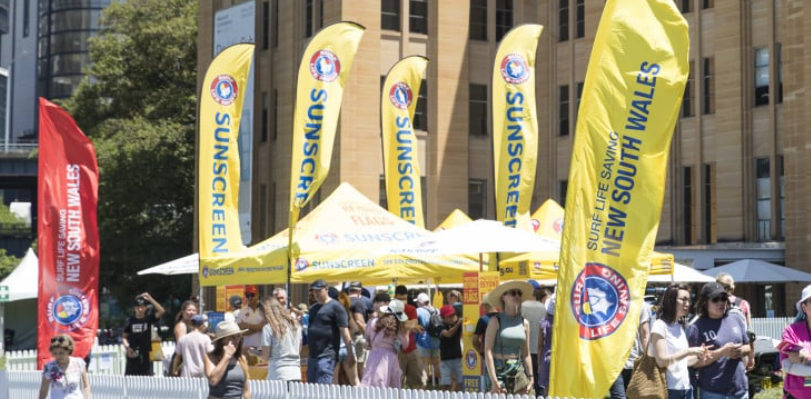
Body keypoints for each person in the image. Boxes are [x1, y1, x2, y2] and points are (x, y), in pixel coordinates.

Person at [688, 282, 750, 399]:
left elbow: (748, 347)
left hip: (740, 390)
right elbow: (692, 362)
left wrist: (741, 351)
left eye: (723, 298)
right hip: (714, 393)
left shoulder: (736, 318)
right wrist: (721, 352)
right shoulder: (696, 327)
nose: (721, 302)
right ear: (705, 303)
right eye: (715, 299)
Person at [650, 284, 707, 399]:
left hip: (685, 387)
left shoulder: (679, 326)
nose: (688, 304)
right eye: (683, 299)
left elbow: (682, 362)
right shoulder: (660, 326)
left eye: (689, 300)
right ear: (671, 301)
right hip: (668, 389)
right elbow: (661, 361)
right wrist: (688, 351)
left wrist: (699, 356)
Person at [484, 281, 534, 395]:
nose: (517, 296)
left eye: (519, 293)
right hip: (498, 369)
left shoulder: (524, 322)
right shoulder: (495, 321)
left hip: (518, 370)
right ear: (503, 297)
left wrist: (531, 376)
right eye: (512, 293)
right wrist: (493, 379)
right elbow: (488, 351)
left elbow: (526, 353)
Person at [307, 279, 356, 384]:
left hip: (327, 356)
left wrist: (350, 353)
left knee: (323, 390)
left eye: (319, 291)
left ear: (326, 289)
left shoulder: (336, 307)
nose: (316, 294)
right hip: (312, 356)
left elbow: (345, 332)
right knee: (311, 391)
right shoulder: (313, 308)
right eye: (314, 291)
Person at [361, 299, 409, 388]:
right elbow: (404, 344)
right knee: (390, 386)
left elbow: (367, 338)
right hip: (389, 358)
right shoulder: (398, 327)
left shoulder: (373, 322)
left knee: (371, 383)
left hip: (373, 356)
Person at [610, 299, 652, 399]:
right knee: (619, 397)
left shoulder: (640, 304)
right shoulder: (608, 301)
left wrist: (650, 359)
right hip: (612, 364)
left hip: (633, 362)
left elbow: (644, 334)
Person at [779, 284, 811, 399]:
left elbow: (798, 358)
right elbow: (786, 362)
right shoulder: (791, 331)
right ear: (804, 307)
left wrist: (805, 358)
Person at [205, 320, 251, 399]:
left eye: (238, 336)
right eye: (232, 337)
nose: (236, 340)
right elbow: (213, 380)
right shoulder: (211, 357)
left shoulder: (241, 359)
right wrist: (227, 357)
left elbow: (246, 390)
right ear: (222, 341)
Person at [123, 293, 165, 376]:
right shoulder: (130, 320)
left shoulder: (148, 319)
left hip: (145, 353)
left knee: (146, 378)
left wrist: (150, 299)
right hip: (133, 353)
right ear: (134, 308)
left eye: (142, 307)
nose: (140, 309)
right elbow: (124, 337)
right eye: (138, 307)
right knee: (130, 378)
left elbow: (161, 311)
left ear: (146, 308)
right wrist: (127, 347)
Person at [259, 297, 301, 382]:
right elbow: (299, 349)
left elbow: (265, 357)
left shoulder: (268, 328)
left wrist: (254, 352)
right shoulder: (295, 325)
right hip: (296, 372)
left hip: (278, 373)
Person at [39, 334, 90, 399]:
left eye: (61, 353)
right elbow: (43, 391)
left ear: (68, 350)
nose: (58, 356)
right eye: (55, 353)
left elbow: (86, 386)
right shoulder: (49, 367)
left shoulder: (79, 363)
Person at [395, 285, 426, 389]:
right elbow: (411, 325)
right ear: (395, 297)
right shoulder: (391, 309)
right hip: (396, 351)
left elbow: (412, 324)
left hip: (412, 349)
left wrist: (409, 325)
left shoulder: (411, 308)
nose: (402, 301)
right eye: (400, 299)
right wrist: (412, 326)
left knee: (417, 382)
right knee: (397, 383)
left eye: (404, 299)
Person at [522, 282, 547, 394]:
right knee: (540, 385)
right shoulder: (544, 308)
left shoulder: (521, 307)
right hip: (540, 350)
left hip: (524, 351)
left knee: (522, 385)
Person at [334, 291, 361, 385]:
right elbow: (355, 328)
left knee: (334, 383)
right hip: (348, 347)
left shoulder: (330, 311)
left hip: (335, 348)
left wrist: (340, 334)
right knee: (355, 381)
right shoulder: (346, 312)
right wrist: (346, 334)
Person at [415, 292, 441, 385]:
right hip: (436, 341)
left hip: (423, 340)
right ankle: (442, 384)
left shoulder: (418, 311)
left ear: (420, 302)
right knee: (437, 364)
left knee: (424, 364)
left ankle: (423, 385)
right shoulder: (437, 310)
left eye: (417, 302)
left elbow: (414, 324)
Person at [347, 282, 372, 379]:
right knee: (360, 363)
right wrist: (368, 336)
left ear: (349, 290)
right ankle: (362, 385)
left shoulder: (341, 301)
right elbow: (359, 321)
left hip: (343, 336)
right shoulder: (362, 301)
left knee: (346, 364)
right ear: (360, 291)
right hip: (358, 335)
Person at [438, 304, 463, 391]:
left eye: (453, 315)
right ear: (442, 317)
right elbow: (448, 334)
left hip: (458, 358)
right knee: (446, 383)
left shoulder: (458, 324)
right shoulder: (440, 326)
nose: (452, 317)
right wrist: (459, 323)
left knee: (460, 382)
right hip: (445, 360)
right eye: (449, 316)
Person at [236, 285, 265, 357]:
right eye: (247, 295)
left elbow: (265, 327)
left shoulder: (265, 309)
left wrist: (247, 326)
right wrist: (259, 327)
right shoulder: (242, 312)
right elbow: (240, 332)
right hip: (247, 349)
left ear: (257, 295)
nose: (249, 297)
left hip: (263, 348)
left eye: (252, 295)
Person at [537, 294, 555, 396]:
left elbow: (540, 346)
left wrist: (539, 364)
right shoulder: (563, 323)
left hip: (547, 357)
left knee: (547, 390)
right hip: (561, 359)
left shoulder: (543, 322)